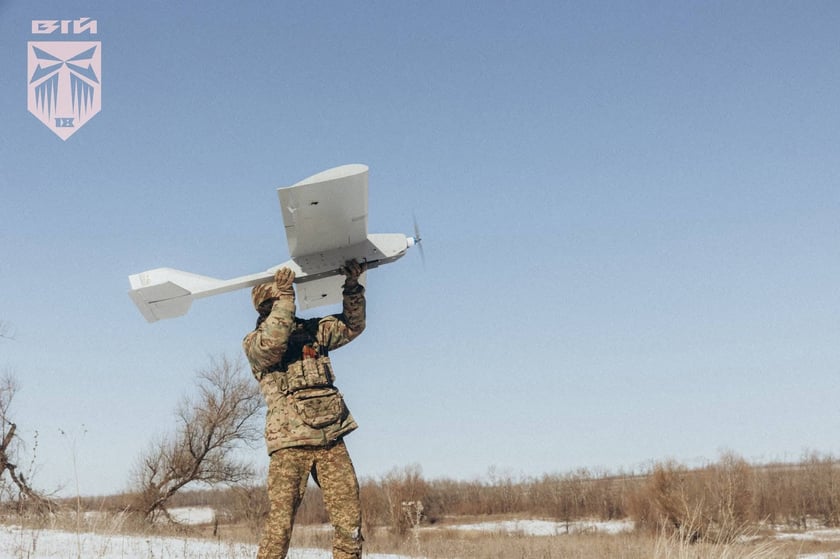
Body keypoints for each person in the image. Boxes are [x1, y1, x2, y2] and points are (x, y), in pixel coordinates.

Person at [243, 260, 367, 559]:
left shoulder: (314, 332)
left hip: (331, 440)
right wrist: (285, 298)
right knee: (280, 526)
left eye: (287, 300)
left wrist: (352, 287)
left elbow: (353, 326)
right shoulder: (255, 343)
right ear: (264, 309)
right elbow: (274, 342)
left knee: (349, 523)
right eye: (278, 302)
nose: (287, 306)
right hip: (290, 445)